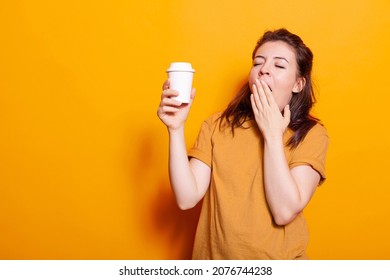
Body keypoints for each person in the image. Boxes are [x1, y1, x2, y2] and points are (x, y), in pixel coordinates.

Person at [157, 28, 329, 259]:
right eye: (258, 62)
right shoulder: (217, 125)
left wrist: (272, 134)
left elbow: (284, 211)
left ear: (298, 84)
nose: (264, 69)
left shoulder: (312, 134)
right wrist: (176, 129)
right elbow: (186, 198)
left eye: (278, 65)